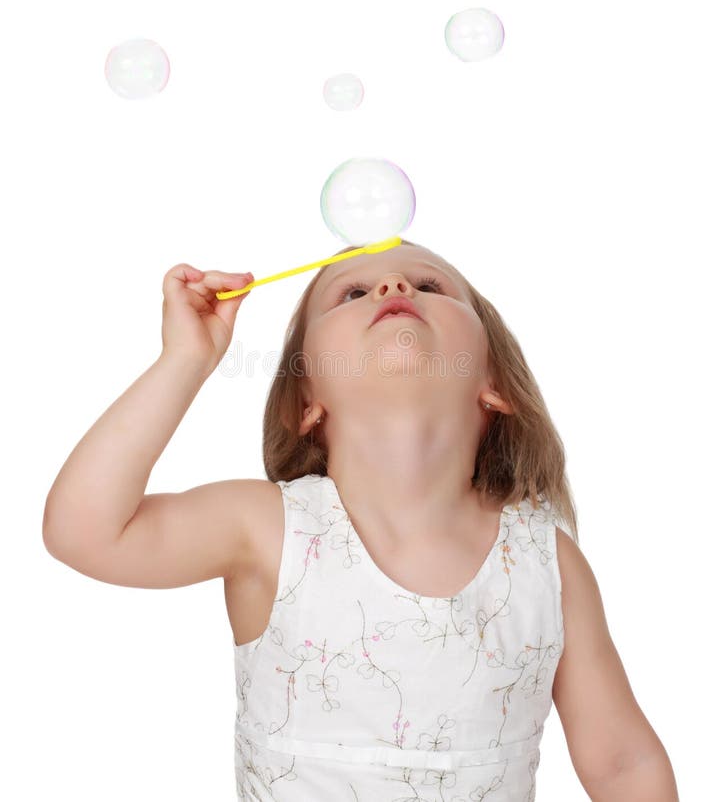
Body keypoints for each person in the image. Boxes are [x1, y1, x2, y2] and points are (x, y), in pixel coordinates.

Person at [43, 240, 678, 800]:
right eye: (351, 291)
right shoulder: (266, 528)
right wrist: (186, 360)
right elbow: (85, 531)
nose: (393, 287)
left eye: (429, 285)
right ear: (306, 400)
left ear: (494, 383)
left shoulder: (544, 560)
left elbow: (623, 762)